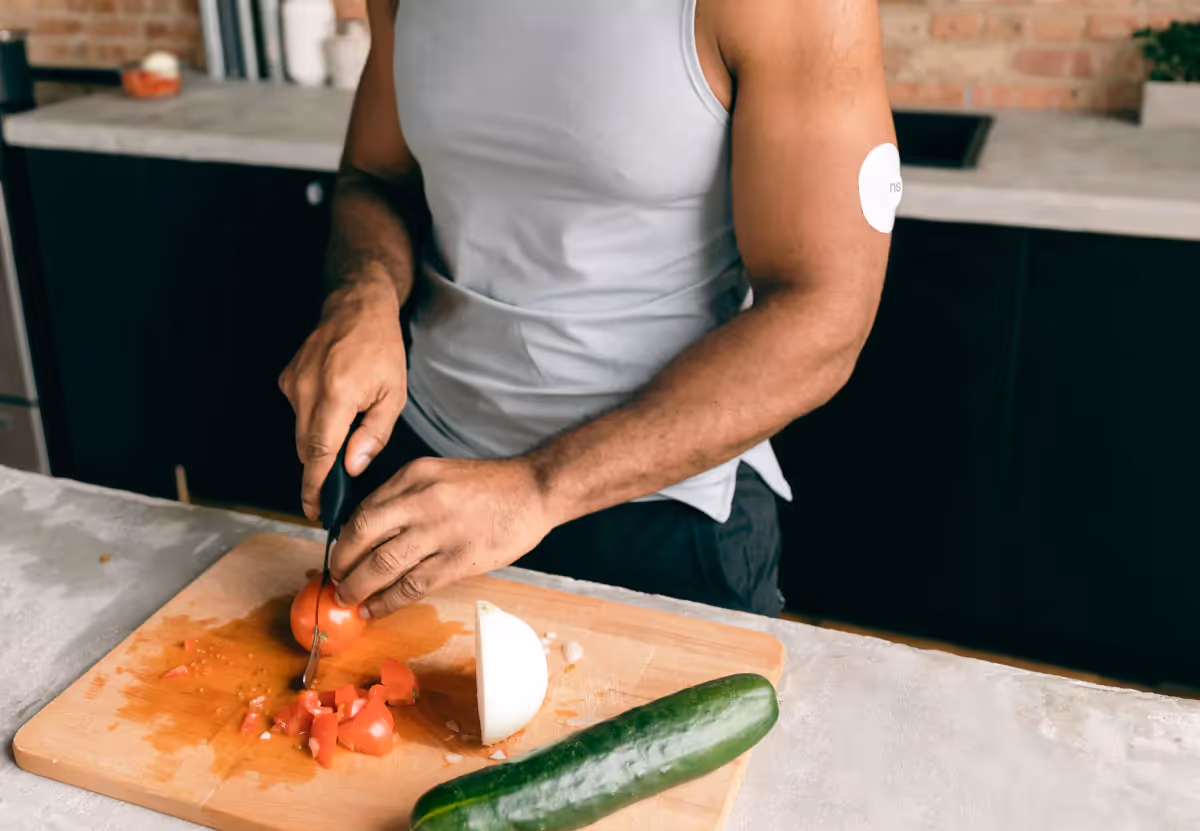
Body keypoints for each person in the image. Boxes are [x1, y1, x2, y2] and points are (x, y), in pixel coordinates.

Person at [279, 0, 894, 621]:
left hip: (660, 518)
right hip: (422, 482)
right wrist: (364, 294)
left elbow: (826, 310)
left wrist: (538, 486)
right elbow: (375, 176)